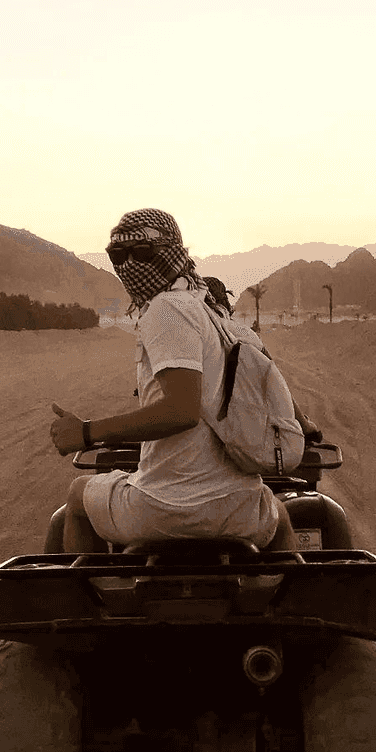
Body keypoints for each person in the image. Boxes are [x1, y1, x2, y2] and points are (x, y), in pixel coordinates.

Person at [49, 208, 318, 553]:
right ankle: (280, 588)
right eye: (118, 255)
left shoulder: (167, 308)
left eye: (142, 252)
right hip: (238, 507)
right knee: (278, 516)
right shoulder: (219, 321)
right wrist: (306, 426)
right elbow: (268, 378)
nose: (129, 265)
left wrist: (86, 432)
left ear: (171, 251)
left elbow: (182, 410)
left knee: (77, 496)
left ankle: (93, 590)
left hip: (165, 507)